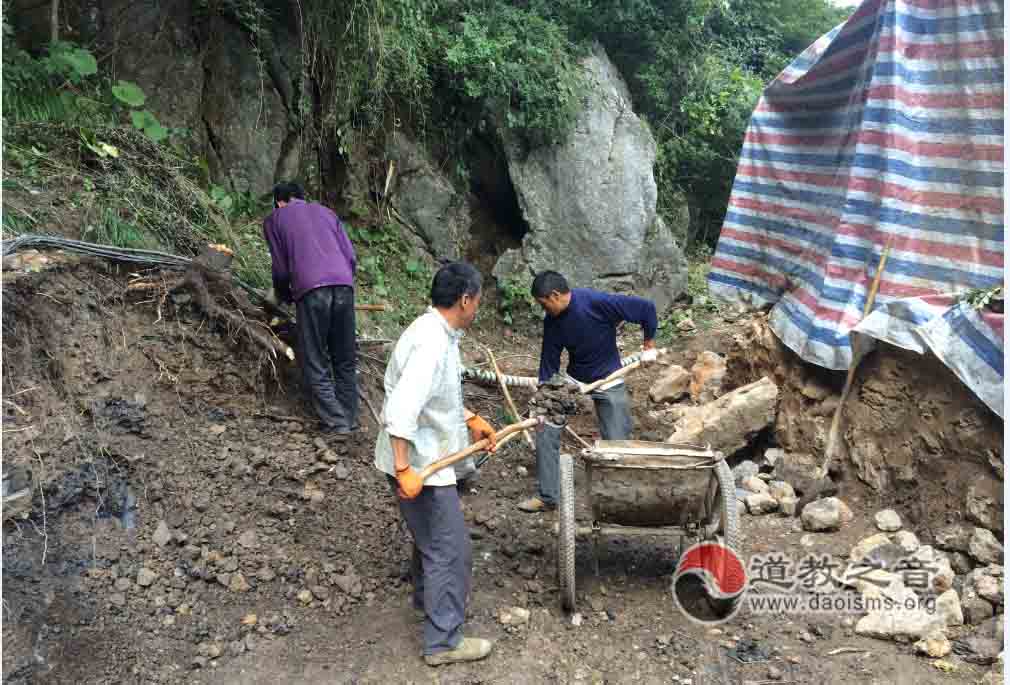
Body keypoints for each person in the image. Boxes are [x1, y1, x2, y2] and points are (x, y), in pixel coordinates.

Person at [374, 261, 499, 666]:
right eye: (477, 302)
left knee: (431, 537)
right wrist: (404, 468)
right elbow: (403, 408)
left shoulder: (441, 334)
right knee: (451, 549)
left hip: (428, 458)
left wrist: (470, 419)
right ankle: (443, 641)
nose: (477, 309)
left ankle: (425, 601)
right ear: (464, 300)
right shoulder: (430, 342)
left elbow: (436, 394)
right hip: (420, 465)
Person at [517, 270, 659, 512]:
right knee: (544, 427)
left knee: (617, 444)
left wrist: (648, 346)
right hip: (575, 381)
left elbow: (646, 309)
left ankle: (619, 500)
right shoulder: (552, 321)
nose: (544, 309)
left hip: (609, 378)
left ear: (555, 295)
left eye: (544, 304)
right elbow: (549, 361)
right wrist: (544, 394)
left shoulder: (597, 303)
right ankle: (547, 496)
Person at [263, 182, 359, 435]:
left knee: (314, 358)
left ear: (279, 201)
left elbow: (281, 270)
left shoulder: (275, 218)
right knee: (344, 358)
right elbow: (351, 257)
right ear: (301, 198)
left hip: (311, 289)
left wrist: (285, 296)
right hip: (344, 286)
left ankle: (338, 423)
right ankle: (350, 418)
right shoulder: (327, 212)